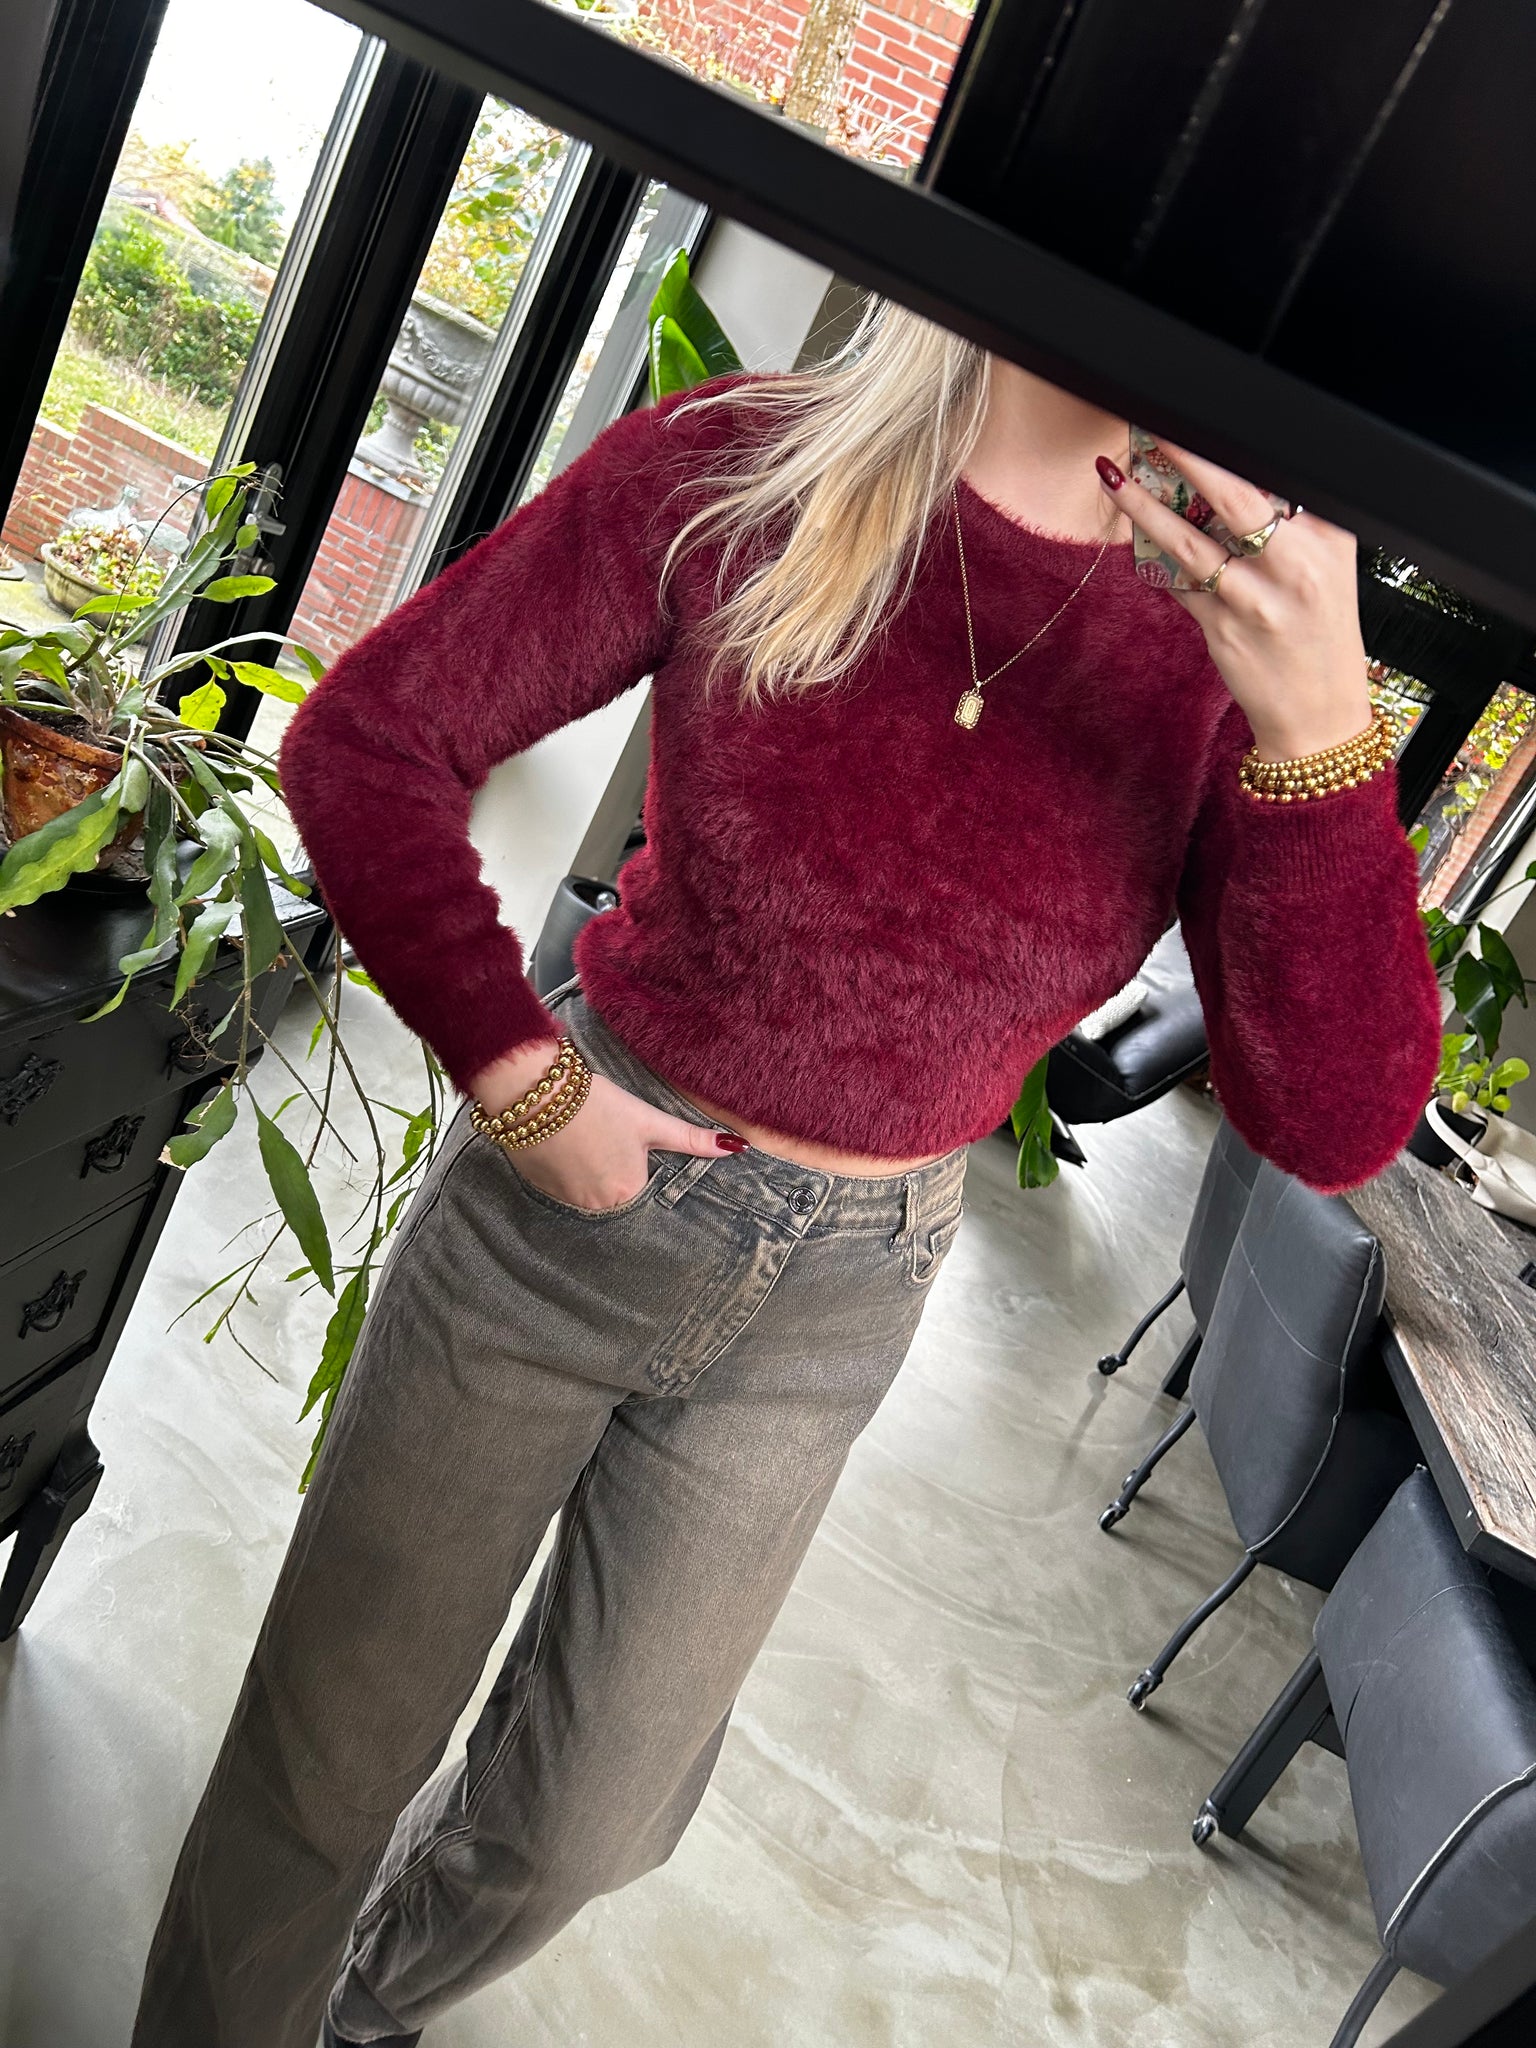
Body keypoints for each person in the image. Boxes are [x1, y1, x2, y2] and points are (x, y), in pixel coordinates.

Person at [132, 301, 1442, 2048]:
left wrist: (1325, 738)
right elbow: (367, 739)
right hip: (559, 1225)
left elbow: (1335, 1123)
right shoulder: (741, 467)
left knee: (589, 1821)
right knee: (328, 1758)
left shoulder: (1227, 644)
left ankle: (358, 2008)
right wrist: (520, 1075)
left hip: (846, 1291)